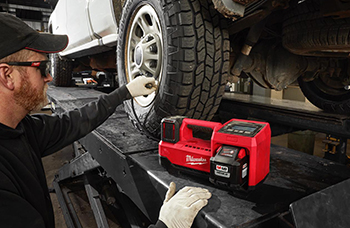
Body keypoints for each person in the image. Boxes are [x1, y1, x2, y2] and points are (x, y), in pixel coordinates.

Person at [0, 13, 211, 228]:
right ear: (7, 76)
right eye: (42, 68)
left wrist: (124, 93)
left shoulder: (19, 128)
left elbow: (73, 122)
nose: (50, 78)